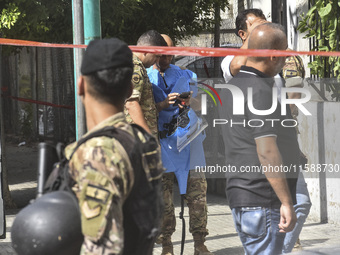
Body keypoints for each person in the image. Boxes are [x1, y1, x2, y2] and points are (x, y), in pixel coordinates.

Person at [221, 8, 312, 253]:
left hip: (243, 195)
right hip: (263, 198)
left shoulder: (233, 87)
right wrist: (285, 201)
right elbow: (266, 150)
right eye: (283, 54)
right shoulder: (260, 89)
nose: (286, 60)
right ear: (272, 56)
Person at [66, 38, 163, 254]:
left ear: (81, 85)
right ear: (130, 88)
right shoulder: (144, 143)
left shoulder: (98, 153)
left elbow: (102, 246)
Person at [147, 34, 212, 255]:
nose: (166, 57)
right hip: (161, 145)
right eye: (161, 52)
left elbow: (203, 105)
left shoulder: (187, 74)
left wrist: (189, 101)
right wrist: (163, 104)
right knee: (163, 198)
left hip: (189, 143)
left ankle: (199, 243)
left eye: (170, 52)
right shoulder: (145, 77)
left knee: (197, 195)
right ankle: (166, 245)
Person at [124, 30, 167, 137]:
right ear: (145, 50)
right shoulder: (135, 67)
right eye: (156, 56)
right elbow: (131, 104)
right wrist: (148, 138)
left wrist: (163, 104)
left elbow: (144, 107)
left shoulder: (136, 66)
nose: (157, 61)